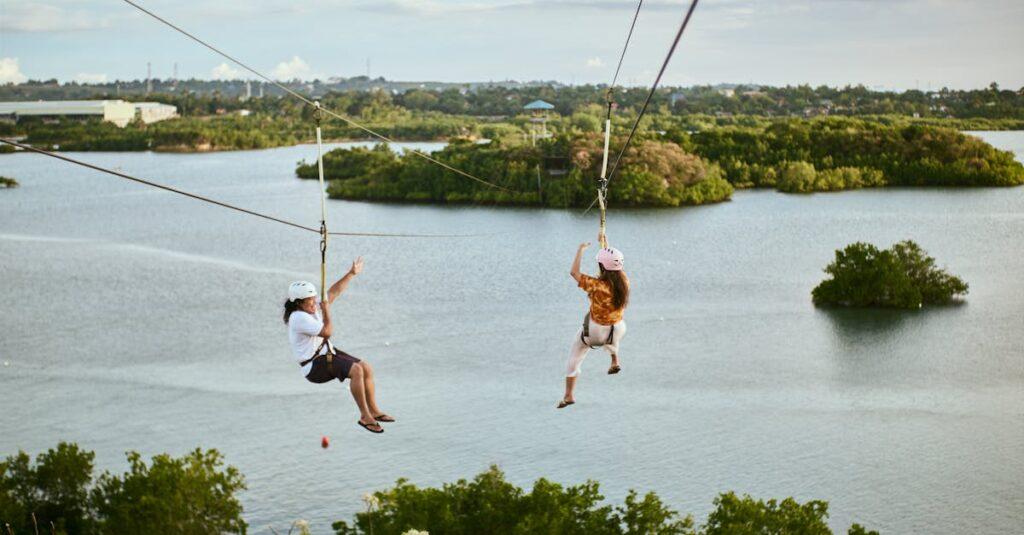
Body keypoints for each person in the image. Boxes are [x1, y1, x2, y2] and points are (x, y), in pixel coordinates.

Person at [284, 257, 394, 434]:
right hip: (314, 367)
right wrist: (326, 310)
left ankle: (374, 410)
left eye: (314, 299)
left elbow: (333, 293)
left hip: (326, 354)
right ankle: (365, 416)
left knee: (366, 367)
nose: (314, 303)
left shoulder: (309, 308)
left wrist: (351, 274)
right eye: (310, 301)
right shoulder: (299, 318)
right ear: (298, 303)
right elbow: (327, 332)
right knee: (356, 371)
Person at [559, 236, 630, 409]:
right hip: (618, 329)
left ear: (602, 266)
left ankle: (568, 395)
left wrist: (580, 250)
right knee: (612, 335)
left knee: (575, 355)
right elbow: (609, 265)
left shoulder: (597, 286)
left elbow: (574, 273)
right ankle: (614, 359)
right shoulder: (625, 282)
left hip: (596, 332)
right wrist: (604, 244)